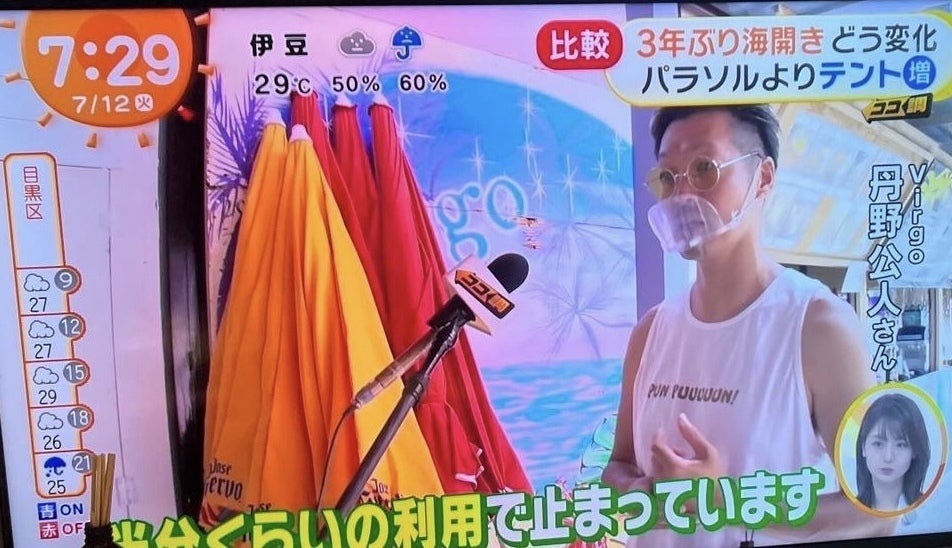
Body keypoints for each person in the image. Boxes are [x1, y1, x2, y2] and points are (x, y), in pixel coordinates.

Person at [602, 104, 897, 547]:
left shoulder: (818, 326)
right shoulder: (650, 331)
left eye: (704, 168)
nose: (681, 194)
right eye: (667, 176)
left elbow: (880, 509)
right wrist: (638, 492)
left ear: (763, 178)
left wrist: (726, 503)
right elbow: (617, 466)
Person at [856, 393, 931, 513]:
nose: (888, 457)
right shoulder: (847, 513)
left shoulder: (931, 511)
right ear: (863, 448)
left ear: (914, 451)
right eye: (878, 444)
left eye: (901, 445)